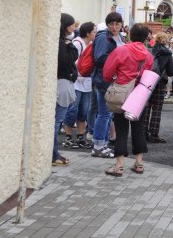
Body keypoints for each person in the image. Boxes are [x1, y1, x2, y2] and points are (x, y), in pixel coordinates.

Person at [101, 23, 154, 176]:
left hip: (122, 94)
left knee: (121, 128)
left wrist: (115, 80)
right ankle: (139, 163)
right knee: (139, 129)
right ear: (146, 38)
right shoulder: (148, 55)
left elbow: (107, 72)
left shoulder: (121, 50)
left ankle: (119, 166)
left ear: (130, 34)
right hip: (140, 95)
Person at [91, 12, 126, 158]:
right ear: (107, 24)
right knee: (104, 114)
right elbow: (100, 58)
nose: (114, 26)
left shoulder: (120, 37)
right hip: (103, 80)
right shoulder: (103, 37)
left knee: (108, 114)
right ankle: (98, 145)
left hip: (112, 80)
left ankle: (103, 144)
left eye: (117, 24)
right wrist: (118, 64)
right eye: (111, 24)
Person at [63, 21, 96, 149]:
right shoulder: (78, 43)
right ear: (87, 33)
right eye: (94, 31)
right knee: (73, 109)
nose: (95, 34)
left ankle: (80, 136)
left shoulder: (92, 44)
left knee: (84, 110)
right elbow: (72, 62)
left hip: (86, 82)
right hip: (77, 82)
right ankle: (68, 136)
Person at [53, 13, 79, 166]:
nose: (74, 27)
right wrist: (70, 48)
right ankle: (53, 154)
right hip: (62, 84)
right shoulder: (62, 43)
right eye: (72, 24)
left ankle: (54, 153)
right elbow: (66, 62)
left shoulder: (63, 42)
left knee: (56, 121)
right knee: (56, 122)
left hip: (63, 83)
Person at [142, 31, 173, 143]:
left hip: (148, 81)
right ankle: (154, 134)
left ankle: (143, 132)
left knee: (146, 107)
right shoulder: (167, 53)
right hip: (160, 82)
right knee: (157, 108)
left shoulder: (149, 50)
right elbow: (171, 72)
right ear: (165, 41)